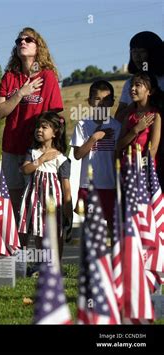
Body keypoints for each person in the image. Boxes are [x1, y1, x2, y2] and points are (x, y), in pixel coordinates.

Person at [0, 27, 63, 224]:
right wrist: (20, 93)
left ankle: (41, 251)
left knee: (38, 205)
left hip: (36, 150)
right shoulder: (9, 77)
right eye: (18, 40)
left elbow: (55, 117)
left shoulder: (48, 76)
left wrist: (52, 150)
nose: (22, 42)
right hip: (12, 148)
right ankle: (18, 251)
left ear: (38, 46)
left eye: (28, 39)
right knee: (15, 206)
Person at [18, 112, 72, 262]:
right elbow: (25, 169)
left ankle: (56, 264)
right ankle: (40, 263)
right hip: (34, 200)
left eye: (44, 127)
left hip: (54, 203)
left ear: (55, 132)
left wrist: (69, 210)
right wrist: (41, 159)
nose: (39, 130)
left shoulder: (62, 159)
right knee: (38, 231)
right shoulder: (33, 153)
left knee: (56, 233)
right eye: (37, 127)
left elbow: (66, 188)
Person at [70, 80, 121, 231]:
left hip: (110, 184)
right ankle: (92, 256)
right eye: (98, 99)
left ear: (112, 102)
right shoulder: (83, 125)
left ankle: (113, 254)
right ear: (90, 101)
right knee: (92, 229)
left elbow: (118, 156)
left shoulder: (117, 126)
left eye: (106, 100)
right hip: (88, 185)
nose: (101, 104)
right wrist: (94, 138)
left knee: (112, 226)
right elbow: (78, 155)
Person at [114, 32, 164, 123]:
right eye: (134, 51)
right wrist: (137, 104)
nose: (137, 56)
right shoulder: (129, 83)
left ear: (155, 53)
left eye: (142, 51)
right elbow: (118, 119)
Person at [117, 71, 162, 160]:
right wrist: (135, 130)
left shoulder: (155, 116)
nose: (132, 88)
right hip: (128, 168)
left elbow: (153, 148)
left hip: (145, 169)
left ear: (150, 91)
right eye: (131, 85)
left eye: (137, 85)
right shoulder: (128, 117)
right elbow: (118, 146)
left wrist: (145, 168)